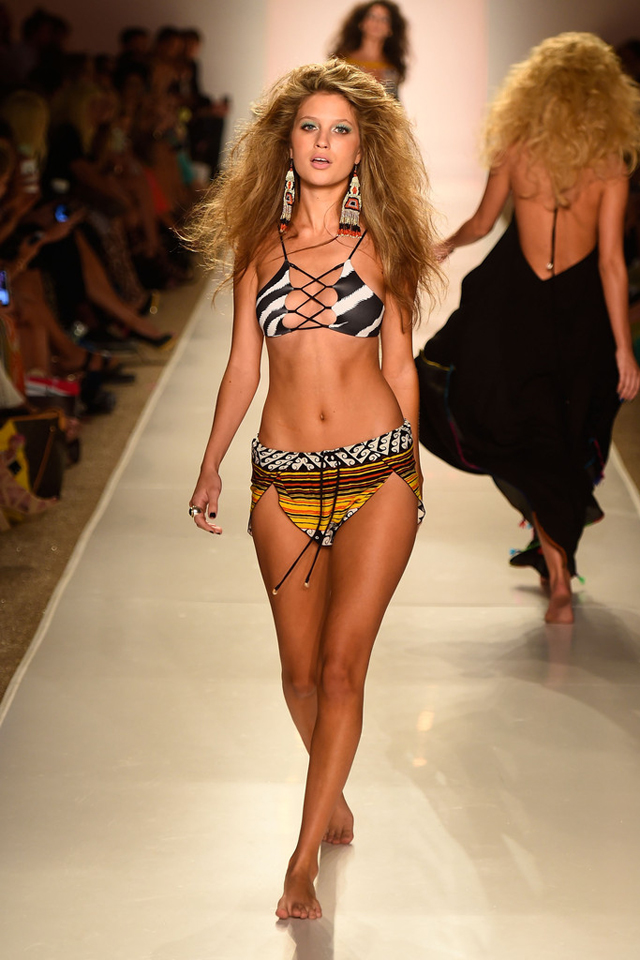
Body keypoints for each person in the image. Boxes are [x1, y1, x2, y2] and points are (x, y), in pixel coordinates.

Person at [187, 59, 440, 919]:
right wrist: (212, 461)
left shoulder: (387, 245)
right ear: (286, 144)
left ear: (363, 149)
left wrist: (411, 468)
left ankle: (301, 862)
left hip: (377, 473)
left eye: (340, 129)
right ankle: (332, 789)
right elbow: (242, 364)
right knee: (297, 676)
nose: (323, 142)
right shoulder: (258, 246)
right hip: (282, 476)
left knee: (340, 670)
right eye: (308, 127)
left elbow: (400, 365)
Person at [415, 33, 640, 625]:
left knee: (515, 426)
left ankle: (556, 567)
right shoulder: (611, 163)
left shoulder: (515, 149)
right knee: (564, 435)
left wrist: (447, 243)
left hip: (513, 305)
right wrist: (624, 348)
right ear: (604, 95)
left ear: (535, 91)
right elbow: (611, 262)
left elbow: (482, 222)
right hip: (580, 313)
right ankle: (559, 574)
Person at [329, 1, 408, 99]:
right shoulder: (343, 62)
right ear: (361, 23)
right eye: (371, 16)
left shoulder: (392, 68)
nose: (377, 22)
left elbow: (395, 103)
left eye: (384, 19)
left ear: (390, 29)